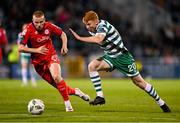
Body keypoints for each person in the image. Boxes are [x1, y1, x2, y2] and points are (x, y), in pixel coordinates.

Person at [70, 10, 171, 112]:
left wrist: (79, 38)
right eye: (86, 24)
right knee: (92, 66)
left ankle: (161, 103)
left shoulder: (102, 25)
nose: (87, 27)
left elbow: (98, 39)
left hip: (123, 57)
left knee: (139, 82)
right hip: (110, 56)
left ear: (96, 21)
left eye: (89, 24)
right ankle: (100, 97)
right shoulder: (93, 29)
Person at [18, 10, 90, 112]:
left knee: (57, 77)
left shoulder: (49, 26)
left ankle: (68, 105)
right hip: (38, 64)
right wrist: (36, 50)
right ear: (32, 21)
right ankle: (76, 92)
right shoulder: (27, 30)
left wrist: (64, 45)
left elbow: (63, 34)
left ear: (44, 20)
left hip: (50, 56)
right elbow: (20, 48)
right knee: (60, 87)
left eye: (41, 22)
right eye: (36, 22)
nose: (39, 25)